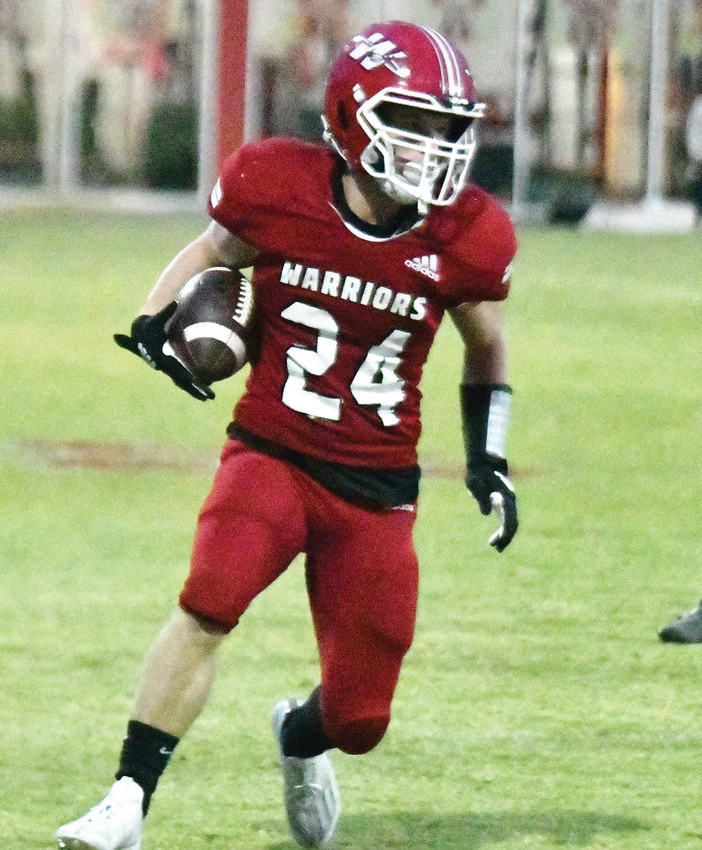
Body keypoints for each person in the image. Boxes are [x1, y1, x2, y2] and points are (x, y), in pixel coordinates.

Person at [56, 20, 519, 850]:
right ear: (352, 115)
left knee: (361, 717)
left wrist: (488, 456)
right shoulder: (275, 183)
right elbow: (213, 249)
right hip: (270, 448)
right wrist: (153, 323)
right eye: (412, 123)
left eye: (446, 129)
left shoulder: (463, 235)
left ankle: (296, 738)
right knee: (208, 602)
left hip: (376, 486)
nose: (434, 147)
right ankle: (126, 799)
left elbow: (484, 344)